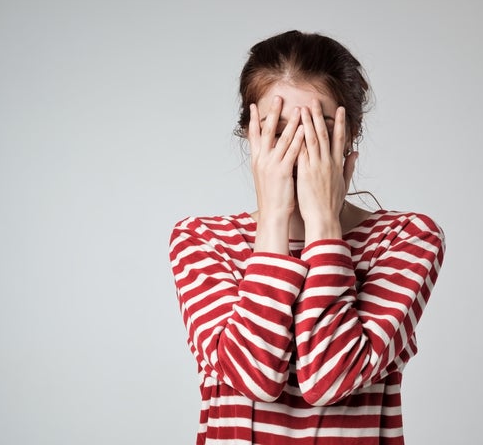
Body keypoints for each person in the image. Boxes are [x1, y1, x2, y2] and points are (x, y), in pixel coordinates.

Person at [169, 30, 446, 445]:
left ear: (350, 134)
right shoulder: (204, 241)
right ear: (251, 136)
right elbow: (254, 377)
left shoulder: (404, 239)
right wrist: (275, 219)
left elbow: (329, 379)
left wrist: (323, 224)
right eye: (278, 130)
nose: (298, 150)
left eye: (317, 129)